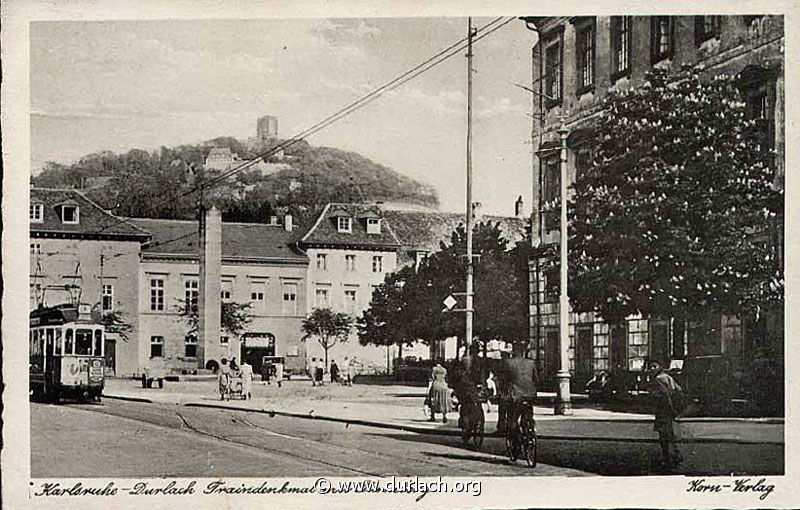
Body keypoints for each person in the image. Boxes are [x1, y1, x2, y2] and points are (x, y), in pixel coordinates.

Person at [647, 359, 683, 469]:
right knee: (670, 434)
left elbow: (664, 396)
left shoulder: (658, 379)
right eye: (650, 367)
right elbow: (679, 390)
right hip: (669, 409)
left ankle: (668, 459)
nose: (652, 369)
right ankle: (676, 455)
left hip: (663, 410)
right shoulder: (668, 377)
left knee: (663, 436)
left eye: (654, 366)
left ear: (659, 366)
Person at [495, 354, 537, 440]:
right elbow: (536, 379)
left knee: (512, 418)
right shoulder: (531, 363)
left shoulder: (508, 363)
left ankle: (516, 443)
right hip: (530, 396)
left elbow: (503, 380)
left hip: (515, 396)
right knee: (528, 412)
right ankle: (529, 429)